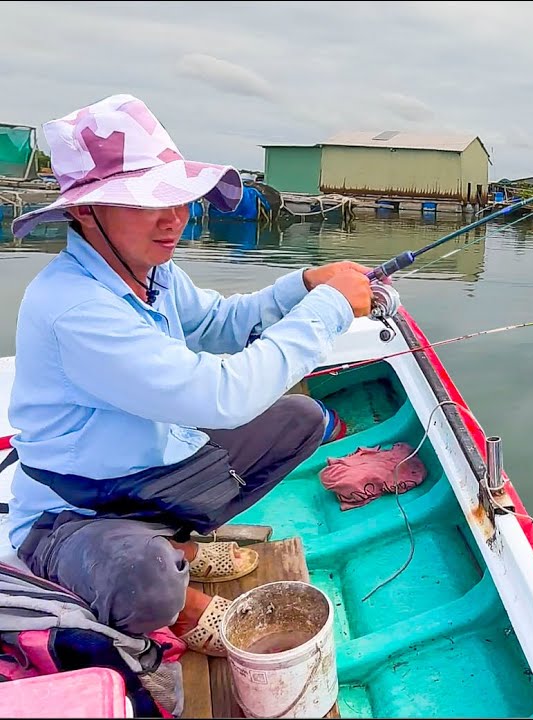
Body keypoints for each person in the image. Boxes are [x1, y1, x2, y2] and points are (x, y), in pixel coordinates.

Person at [3, 94, 373, 657]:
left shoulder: (153, 272)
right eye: (144, 202)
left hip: (147, 475)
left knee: (299, 419)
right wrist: (329, 311)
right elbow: (221, 398)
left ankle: (179, 544)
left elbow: (223, 324)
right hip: (71, 512)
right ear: (85, 211)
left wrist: (302, 286)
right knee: (145, 584)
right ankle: (172, 589)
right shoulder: (76, 308)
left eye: (176, 198)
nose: (174, 218)